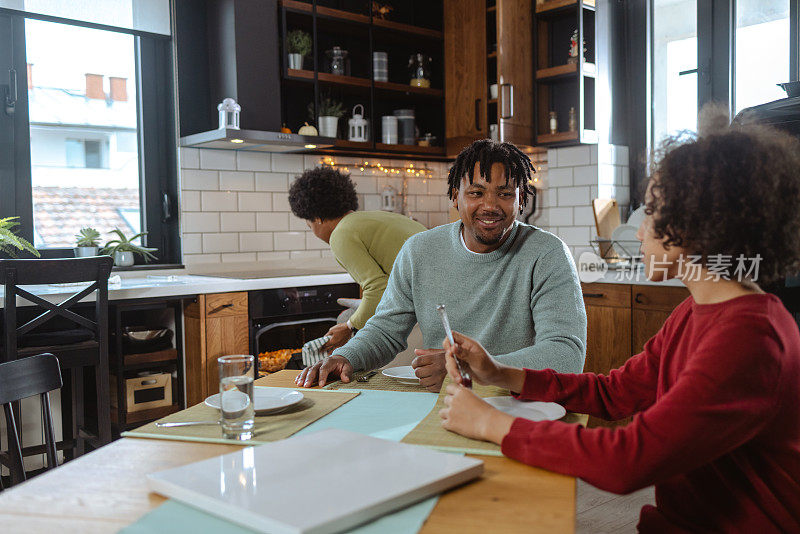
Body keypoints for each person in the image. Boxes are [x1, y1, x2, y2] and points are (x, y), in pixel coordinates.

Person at [438, 108, 800, 532]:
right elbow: (615, 394)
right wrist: (501, 373)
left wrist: (492, 424)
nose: (640, 231)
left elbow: (629, 460)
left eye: (651, 211)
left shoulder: (751, 338)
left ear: (702, 223)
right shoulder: (696, 311)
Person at [296, 139, 587, 391]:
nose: (490, 205)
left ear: (521, 200)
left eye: (505, 193)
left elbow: (566, 354)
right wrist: (346, 357)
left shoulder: (547, 254)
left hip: (520, 406)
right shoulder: (419, 250)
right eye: (476, 192)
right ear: (454, 197)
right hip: (443, 405)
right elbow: (385, 331)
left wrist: (468, 369)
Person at [288, 167, 426, 352]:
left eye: (309, 224)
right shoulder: (377, 218)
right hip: (443, 303)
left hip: (421, 314)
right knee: (349, 316)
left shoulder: (341, 234)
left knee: (346, 323)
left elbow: (378, 288)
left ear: (318, 218)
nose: (312, 230)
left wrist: (349, 327)